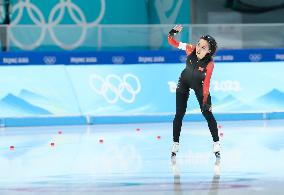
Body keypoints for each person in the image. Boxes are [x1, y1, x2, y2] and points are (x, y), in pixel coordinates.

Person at [168, 24, 220, 158]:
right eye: (198, 44)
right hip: (184, 81)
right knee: (179, 113)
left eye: (203, 47)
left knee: (207, 113)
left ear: (209, 51)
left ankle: (216, 144)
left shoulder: (210, 64)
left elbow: (207, 83)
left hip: (199, 85)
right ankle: (175, 143)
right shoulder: (190, 48)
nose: (199, 48)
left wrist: (205, 101)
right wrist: (172, 32)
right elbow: (172, 42)